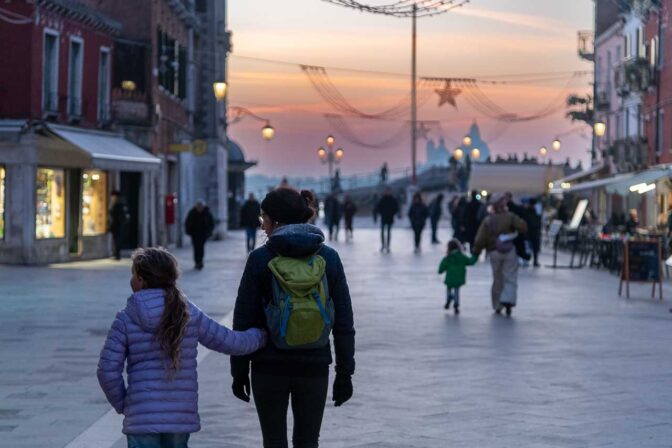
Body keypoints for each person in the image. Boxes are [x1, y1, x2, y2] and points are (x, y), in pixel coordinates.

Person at [97, 247, 266, 448]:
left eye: (132, 274)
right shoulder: (188, 313)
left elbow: (107, 371)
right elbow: (230, 341)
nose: (131, 279)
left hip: (141, 418)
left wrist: (125, 404)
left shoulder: (125, 319)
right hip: (180, 417)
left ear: (141, 280)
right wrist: (262, 334)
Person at [230, 188, 355, 448]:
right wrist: (345, 373)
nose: (262, 225)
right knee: (308, 442)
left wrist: (239, 370)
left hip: (268, 367)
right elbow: (343, 321)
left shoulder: (260, 259)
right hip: (315, 365)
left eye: (263, 218)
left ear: (276, 221)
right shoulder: (328, 258)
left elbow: (244, 319)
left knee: (273, 442)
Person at [473, 193, 528, 317]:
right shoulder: (510, 217)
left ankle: (497, 305)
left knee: (497, 279)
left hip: (494, 251)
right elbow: (523, 227)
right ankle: (508, 300)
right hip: (509, 251)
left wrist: (476, 252)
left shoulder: (488, 220)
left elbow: (480, 239)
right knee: (510, 277)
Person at [438, 239, 478, 314]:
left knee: (448, 288)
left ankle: (449, 298)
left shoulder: (447, 258)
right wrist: (475, 256)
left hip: (449, 278)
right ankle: (456, 304)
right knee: (457, 290)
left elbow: (441, 269)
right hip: (459, 278)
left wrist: (440, 271)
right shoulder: (462, 257)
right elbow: (470, 262)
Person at [185, 200, 215, 270]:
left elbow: (211, 223)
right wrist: (188, 231)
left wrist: (209, 232)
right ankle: (196, 261)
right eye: (198, 207)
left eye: (201, 207)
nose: (199, 208)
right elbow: (187, 222)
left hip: (203, 234)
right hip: (194, 234)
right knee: (196, 248)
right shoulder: (192, 213)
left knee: (201, 248)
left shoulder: (207, 213)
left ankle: (200, 261)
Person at [376, 187, 400, 253]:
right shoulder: (382, 199)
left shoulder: (393, 199)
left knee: (389, 232)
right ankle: (383, 245)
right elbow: (378, 207)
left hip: (390, 218)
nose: (387, 192)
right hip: (384, 218)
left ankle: (388, 246)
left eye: (388, 191)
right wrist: (382, 213)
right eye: (386, 191)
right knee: (382, 232)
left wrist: (392, 213)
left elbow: (396, 207)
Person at [108, 190, 130, 260]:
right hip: (118, 225)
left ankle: (117, 254)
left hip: (117, 225)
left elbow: (115, 215)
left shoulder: (117, 204)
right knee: (116, 240)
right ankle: (116, 254)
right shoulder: (121, 204)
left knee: (117, 240)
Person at [526, 198, 543, 267]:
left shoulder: (527, 210)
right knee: (534, 247)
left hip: (530, 231)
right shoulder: (536, 211)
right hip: (533, 231)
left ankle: (530, 260)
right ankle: (534, 261)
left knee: (529, 246)